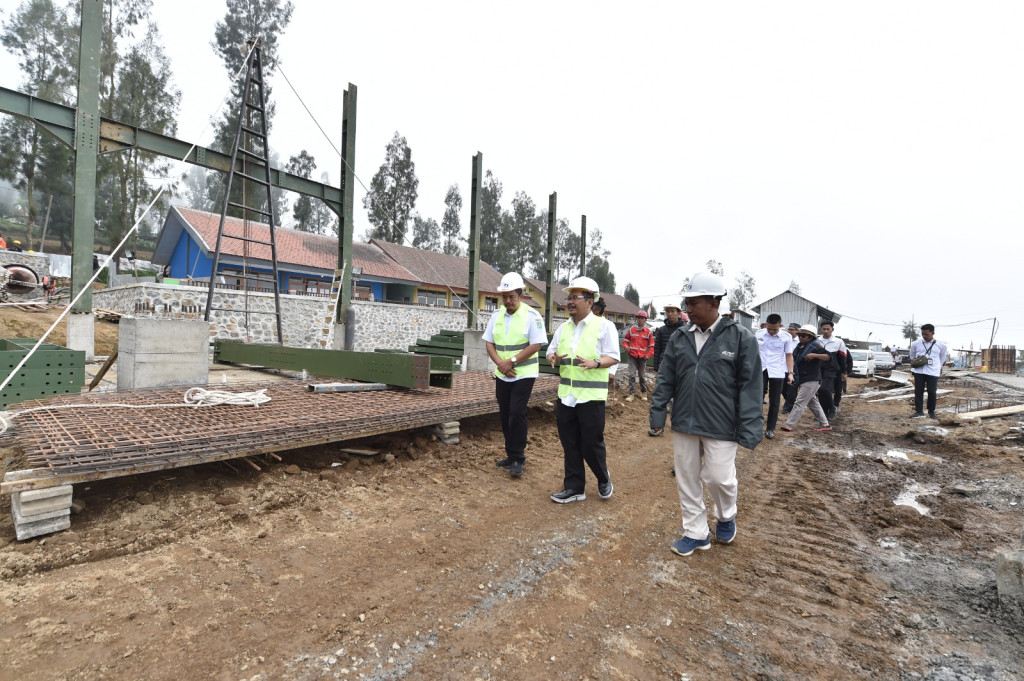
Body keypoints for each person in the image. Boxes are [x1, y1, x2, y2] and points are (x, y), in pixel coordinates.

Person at [649, 271, 763, 557]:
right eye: (686, 302)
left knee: (718, 478)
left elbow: (750, 386)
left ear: (714, 302)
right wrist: (658, 412)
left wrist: (750, 425)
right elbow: (666, 377)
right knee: (687, 477)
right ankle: (696, 533)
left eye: (693, 303)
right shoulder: (680, 337)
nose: (687, 309)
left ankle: (726, 515)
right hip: (685, 419)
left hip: (722, 422)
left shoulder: (740, 338)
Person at [546, 276, 620, 504]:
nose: (569, 302)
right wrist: (552, 357)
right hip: (566, 396)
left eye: (574, 297)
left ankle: (603, 477)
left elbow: (614, 356)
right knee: (570, 443)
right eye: (568, 297)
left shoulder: (605, 327)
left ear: (590, 301)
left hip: (590, 397)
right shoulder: (563, 328)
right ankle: (574, 487)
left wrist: (596, 363)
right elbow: (551, 351)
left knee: (591, 443)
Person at [483, 272, 547, 478]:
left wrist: (511, 361)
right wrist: (500, 364)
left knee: (516, 412)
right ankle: (510, 454)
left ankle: (518, 457)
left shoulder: (532, 316)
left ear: (520, 294)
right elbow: (489, 343)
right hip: (502, 373)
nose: (508, 301)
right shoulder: (496, 315)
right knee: (504, 412)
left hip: (524, 373)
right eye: (505, 296)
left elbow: (536, 344)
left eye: (512, 296)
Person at [780, 325, 831, 432]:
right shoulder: (799, 347)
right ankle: (825, 424)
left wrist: (814, 355)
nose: (801, 337)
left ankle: (789, 424)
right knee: (812, 402)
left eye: (804, 336)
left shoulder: (816, 346)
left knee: (800, 401)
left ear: (811, 337)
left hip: (812, 378)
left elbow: (828, 357)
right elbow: (793, 361)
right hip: (802, 377)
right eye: (800, 335)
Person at [756, 313, 794, 439]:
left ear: (780, 326)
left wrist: (790, 373)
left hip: (777, 370)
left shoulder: (786, 337)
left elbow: (789, 356)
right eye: (769, 328)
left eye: (775, 329)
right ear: (766, 324)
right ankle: (757, 426)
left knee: (774, 400)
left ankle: (770, 428)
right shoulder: (759, 334)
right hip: (760, 369)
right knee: (757, 398)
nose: (772, 331)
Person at [910, 324, 948, 419]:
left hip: (933, 372)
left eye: (926, 334)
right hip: (919, 371)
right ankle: (919, 411)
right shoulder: (915, 344)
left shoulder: (941, 345)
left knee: (932, 392)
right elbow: (912, 356)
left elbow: (942, 357)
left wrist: (937, 366)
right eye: (922, 334)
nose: (924, 336)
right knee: (918, 391)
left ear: (932, 333)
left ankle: (931, 412)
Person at [622, 310, 655, 402]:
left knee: (642, 376)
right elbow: (625, 341)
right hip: (632, 356)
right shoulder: (632, 330)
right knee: (632, 375)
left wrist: (648, 355)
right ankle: (631, 394)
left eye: (642, 318)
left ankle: (643, 392)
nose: (640, 320)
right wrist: (626, 347)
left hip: (642, 358)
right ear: (637, 319)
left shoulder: (648, 332)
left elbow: (652, 346)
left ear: (645, 320)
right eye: (639, 318)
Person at [817, 321, 848, 420]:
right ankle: (824, 412)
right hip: (818, 369)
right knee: (820, 391)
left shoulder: (838, 342)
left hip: (831, 369)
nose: (826, 331)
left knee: (825, 389)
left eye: (828, 329)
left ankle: (832, 408)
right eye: (824, 329)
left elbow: (843, 358)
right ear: (821, 329)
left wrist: (844, 372)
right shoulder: (817, 341)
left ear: (832, 329)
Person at [591, 298, 620, 397]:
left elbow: (613, 353)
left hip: (600, 372)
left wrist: (612, 372)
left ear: (597, 310)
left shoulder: (607, 326)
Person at [653, 302, 688, 373]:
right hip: (664, 365)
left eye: (672, 311)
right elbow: (657, 349)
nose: (670, 314)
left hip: (680, 365)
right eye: (668, 311)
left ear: (678, 313)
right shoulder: (661, 330)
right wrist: (656, 366)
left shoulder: (685, 330)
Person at [781, 323, 802, 414]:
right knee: (782, 388)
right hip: (783, 367)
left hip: (795, 368)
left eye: (792, 329)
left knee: (792, 388)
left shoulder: (800, 342)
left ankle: (788, 408)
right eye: (789, 329)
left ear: (797, 331)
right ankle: (791, 404)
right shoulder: (785, 339)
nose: (789, 331)